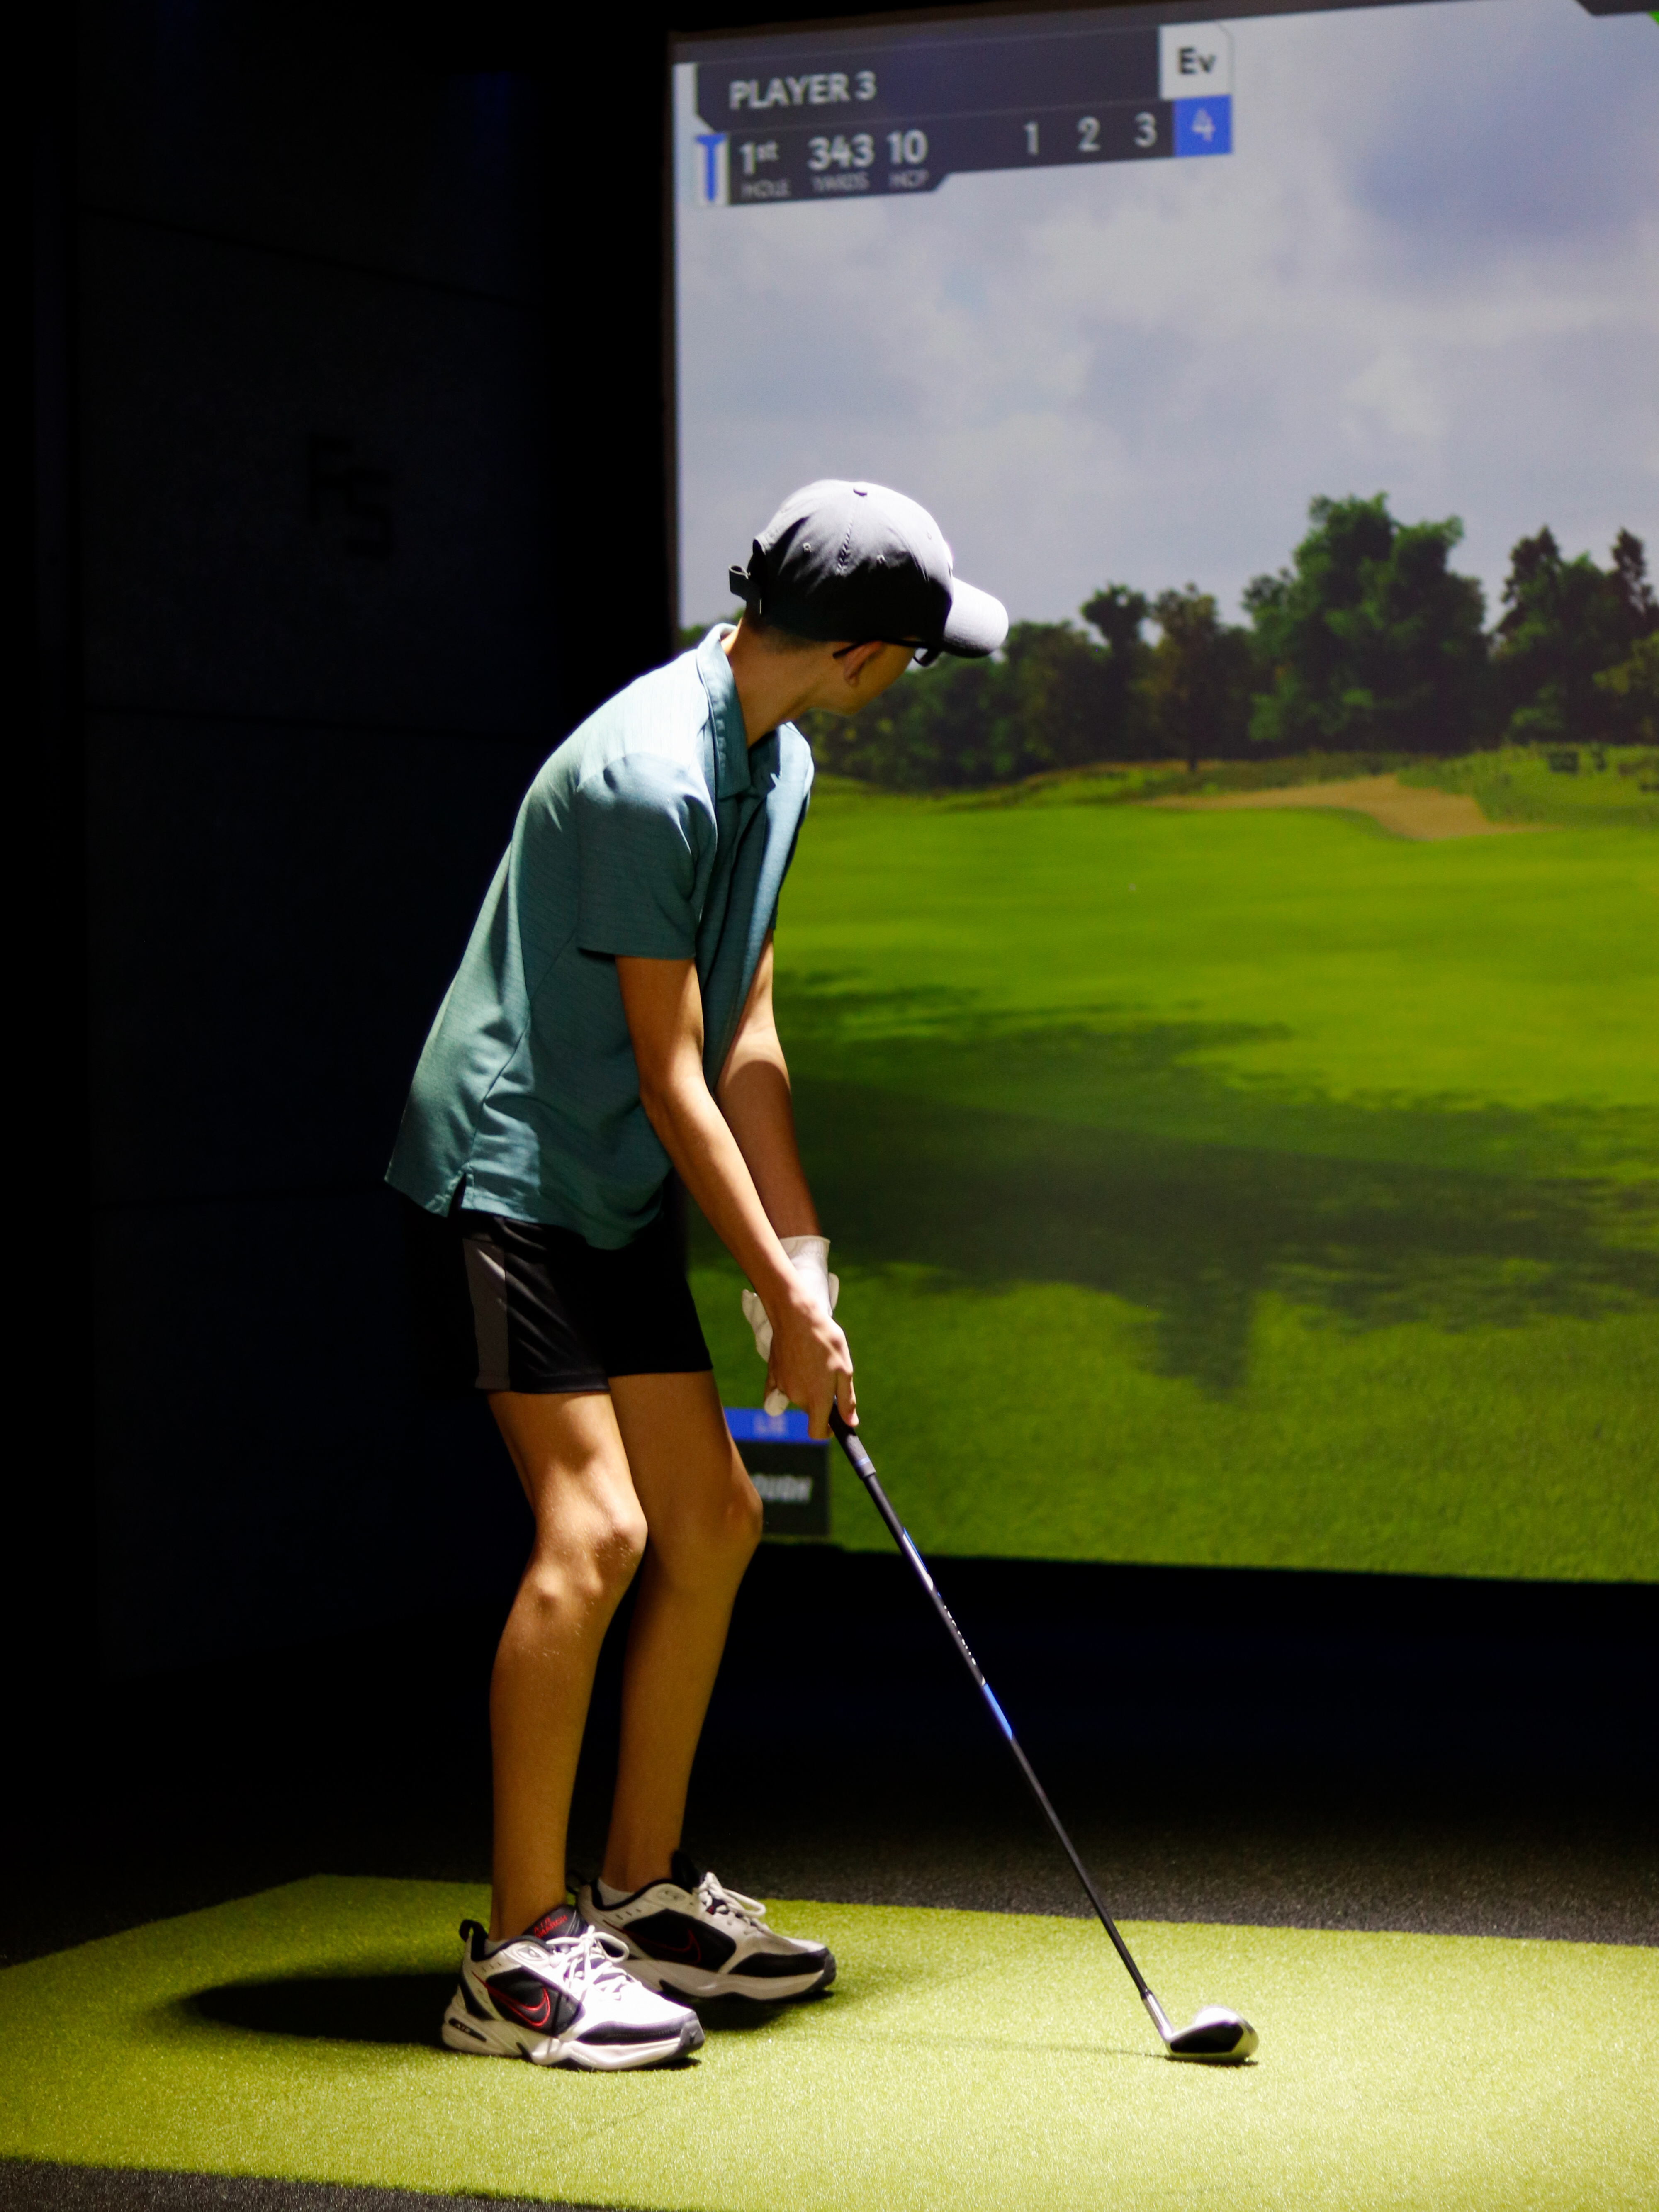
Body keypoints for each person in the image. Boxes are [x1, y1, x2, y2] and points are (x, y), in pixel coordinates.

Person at [388, 479, 1007, 2070]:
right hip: (511, 1170)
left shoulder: (778, 764)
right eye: (920, 655)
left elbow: (747, 1038)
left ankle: (640, 1889)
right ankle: (520, 1953)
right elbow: (669, 1075)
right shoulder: (646, 775)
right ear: (866, 652)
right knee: (592, 1536)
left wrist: (804, 1270)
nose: (909, 680)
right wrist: (783, 1311)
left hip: (606, 1183)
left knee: (722, 1515)